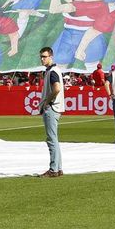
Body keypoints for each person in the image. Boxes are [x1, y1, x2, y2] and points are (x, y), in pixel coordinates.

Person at [37, 47, 65, 177]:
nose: (42, 59)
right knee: (54, 139)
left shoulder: (52, 71)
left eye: (44, 56)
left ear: (51, 57)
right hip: (55, 107)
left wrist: (47, 102)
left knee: (51, 139)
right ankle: (58, 168)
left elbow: (56, 88)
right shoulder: (53, 71)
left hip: (52, 107)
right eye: (41, 57)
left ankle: (53, 169)